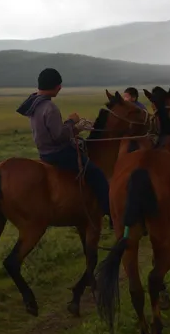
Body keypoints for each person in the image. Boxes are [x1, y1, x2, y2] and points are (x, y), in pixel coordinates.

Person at [16, 67, 111, 224]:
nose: (60, 88)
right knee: (96, 173)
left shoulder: (34, 105)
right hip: (58, 153)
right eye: (59, 85)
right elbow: (59, 136)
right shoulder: (50, 107)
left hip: (44, 152)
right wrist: (72, 122)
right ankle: (109, 211)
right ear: (55, 86)